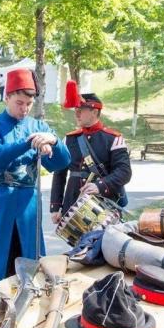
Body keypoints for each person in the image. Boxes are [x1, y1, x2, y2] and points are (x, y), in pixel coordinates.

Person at [0, 69, 70, 281]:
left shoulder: (40, 127)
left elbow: (61, 163)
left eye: (29, 104)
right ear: (6, 97)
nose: (25, 109)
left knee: (29, 259)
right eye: (19, 103)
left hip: (27, 206)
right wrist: (28, 143)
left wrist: (54, 143)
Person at [50, 80, 132, 223]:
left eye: (81, 110)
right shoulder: (69, 139)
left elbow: (124, 172)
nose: (77, 113)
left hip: (104, 203)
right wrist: (56, 206)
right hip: (73, 203)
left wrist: (99, 186)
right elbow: (59, 174)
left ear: (94, 111)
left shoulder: (113, 139)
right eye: (76, 110)